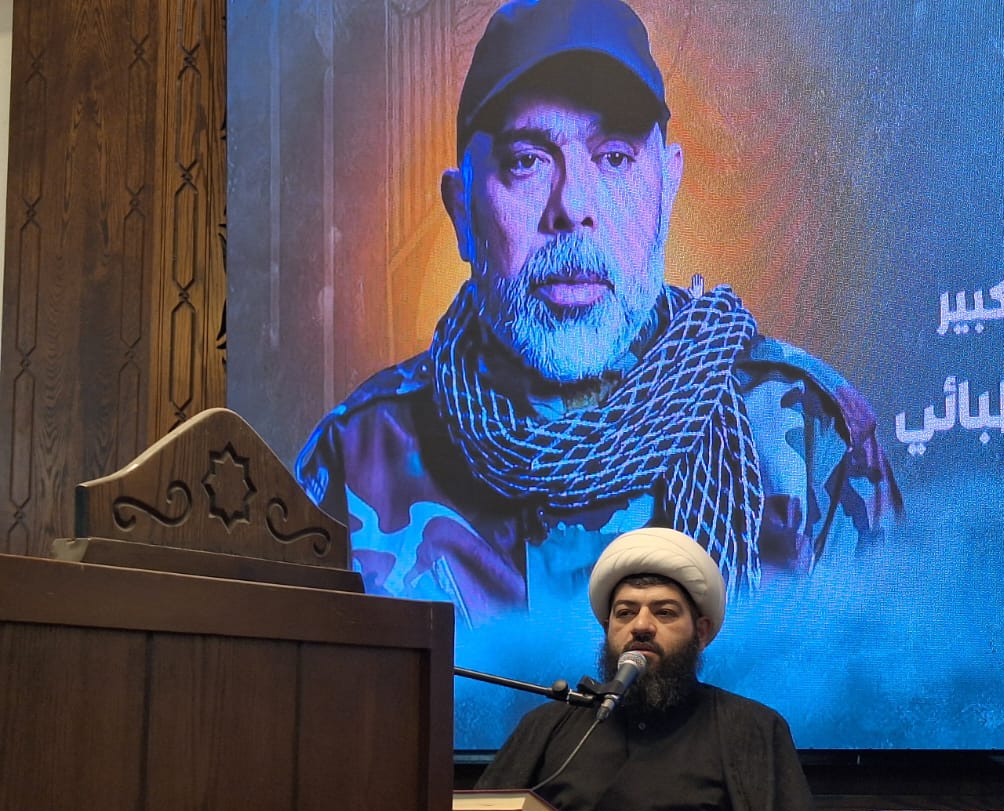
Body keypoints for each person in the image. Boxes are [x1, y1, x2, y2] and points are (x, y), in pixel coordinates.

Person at [295, 0, 898, 626]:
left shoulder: (807, 437)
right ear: (462, 212)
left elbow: (884, 680)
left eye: (614, 158)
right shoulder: (355, 460)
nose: (573, 206)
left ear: (667, 190)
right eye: (526, 161)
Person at [476, 527, 814, 811]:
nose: (641, 626)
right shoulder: (547, 726)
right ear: (607, 628)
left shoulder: (753, 728)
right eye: (625, 613)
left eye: (664, 613)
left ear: (701, 633)